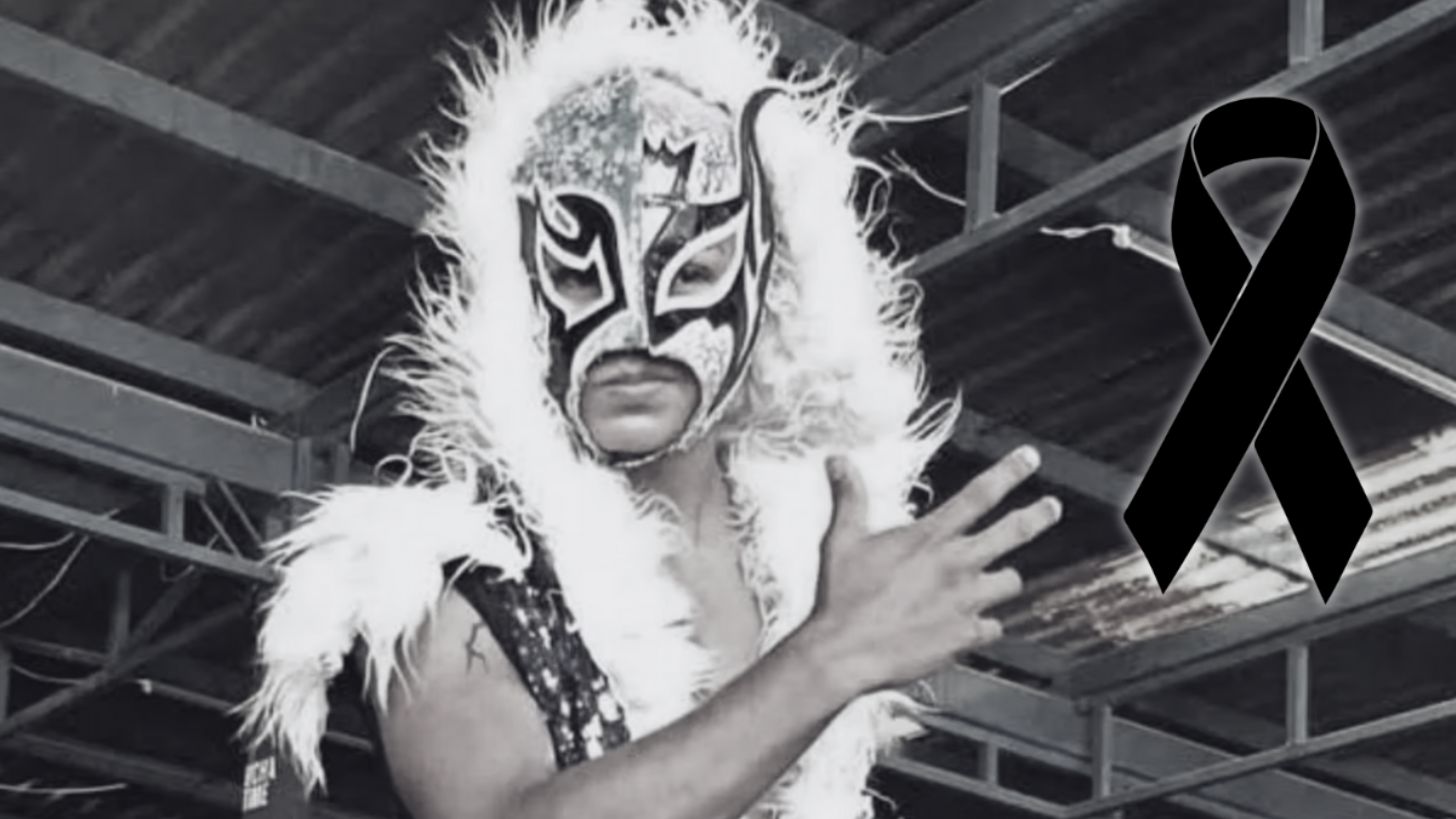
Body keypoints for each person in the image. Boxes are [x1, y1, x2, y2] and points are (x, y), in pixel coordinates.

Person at [240, 2, 1062, 818]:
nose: (634, 329)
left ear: (768, 288)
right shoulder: (447, 579)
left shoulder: (813, 558)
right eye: (580, 271)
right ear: (515, 289)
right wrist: (830, 654)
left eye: (692, 268)